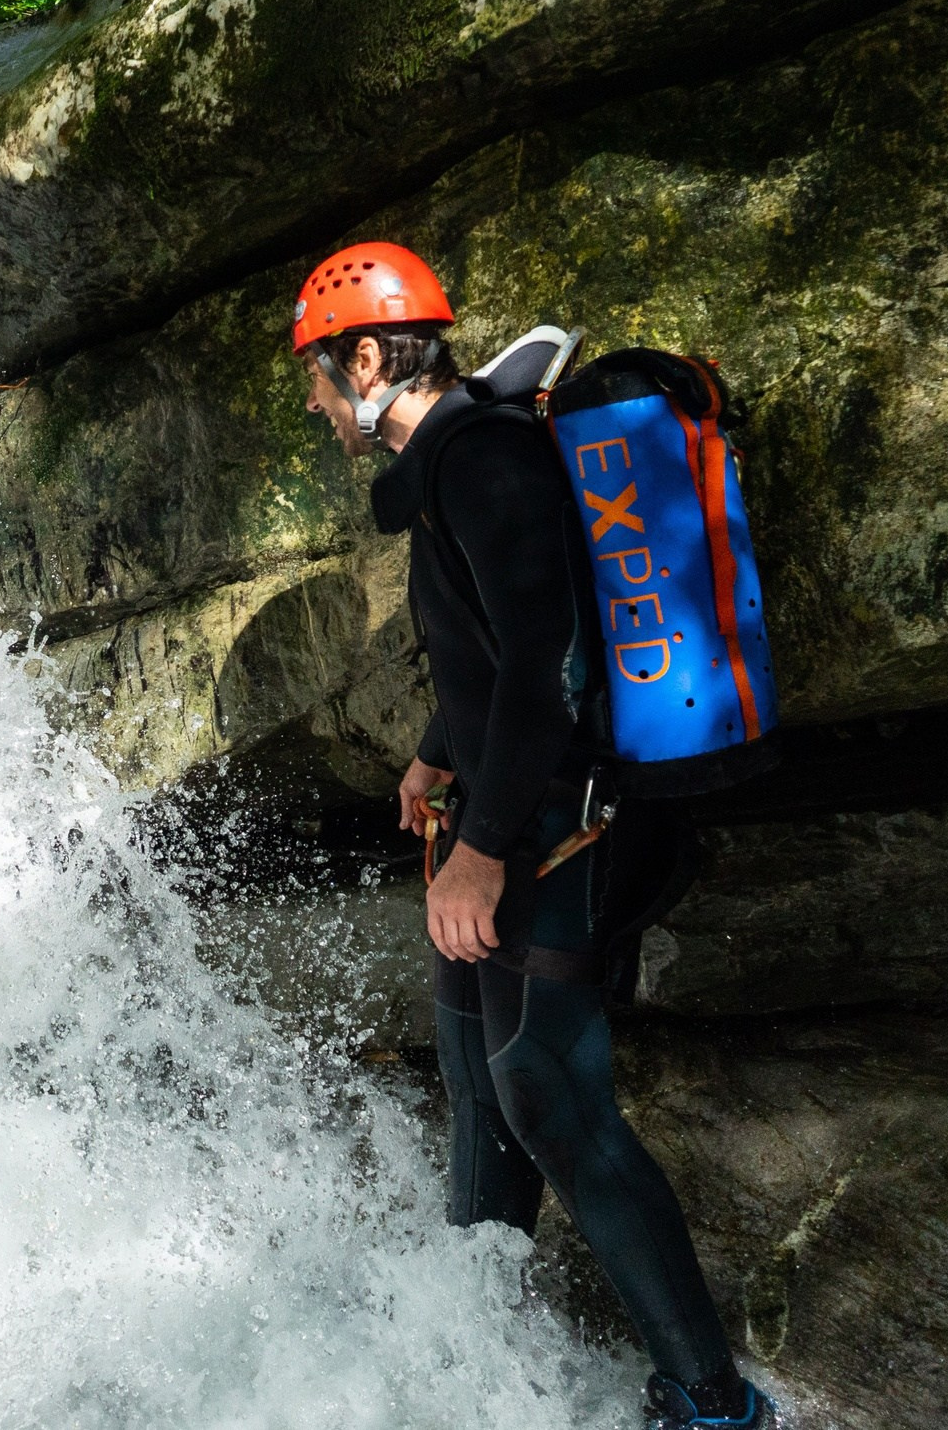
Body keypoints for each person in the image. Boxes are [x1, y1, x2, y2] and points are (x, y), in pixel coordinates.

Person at [291, 243, 767, 1429]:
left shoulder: (487, 462)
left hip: (562, 826)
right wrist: (435, 756)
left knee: (545, 1088)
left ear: (362, 358)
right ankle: (469, 1344)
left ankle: (712, 1402)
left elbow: (548, 668)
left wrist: (481, 849)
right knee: (474, 1073)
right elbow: (486, 645)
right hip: (508, 801)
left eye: (311, 376)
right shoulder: (453, 457)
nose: (310, 405)